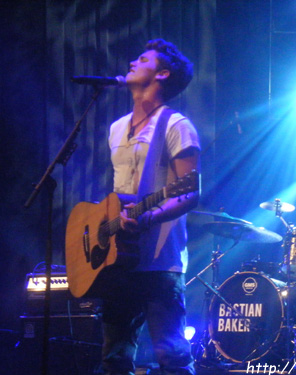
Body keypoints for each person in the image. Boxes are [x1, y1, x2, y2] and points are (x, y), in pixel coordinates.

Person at [92, 39, 200, 375]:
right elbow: (118, 192)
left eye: (143, 59)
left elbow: (189, 193)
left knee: (173, 360)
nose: (133, 61)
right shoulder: (116, 128)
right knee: (114, 357)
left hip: (160, 261)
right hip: (117, 258)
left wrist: (149, 216)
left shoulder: (177, 126)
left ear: (163, 74)